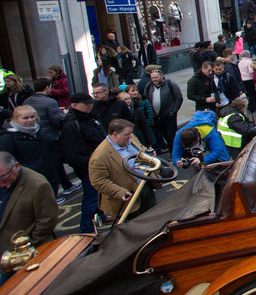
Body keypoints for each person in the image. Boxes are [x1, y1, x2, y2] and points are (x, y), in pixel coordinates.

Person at [89, 119, 156, 221]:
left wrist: (148, 155)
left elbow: (141, 148)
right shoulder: (100, 156)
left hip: (145, 187)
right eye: (127, 134)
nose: (130, 136)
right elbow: (98, 181)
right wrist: (120, 192)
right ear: (115, 134)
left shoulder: (131, 139)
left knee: (154, 218)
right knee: (136, 228)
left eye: (130, 133)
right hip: (128, 199)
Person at [58, 93, 106, 232]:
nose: (90, 105)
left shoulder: (89, 118)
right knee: (91, 196)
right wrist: (90, 165)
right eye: (86, 104)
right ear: (75, 105)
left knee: (99, 194)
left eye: (90, 103)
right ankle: (87, 229)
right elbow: (73, 152)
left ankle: (99, 216)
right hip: (89, 167)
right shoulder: (72, 124)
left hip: (98, 163)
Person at [0, 151, 58, 267]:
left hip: (27, 257)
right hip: (4, 254)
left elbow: (47, 221)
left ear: (16, 166)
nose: (0, 183)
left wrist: (27, 247)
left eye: (4, 177)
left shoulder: (38, 185)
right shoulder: (3, 181)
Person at [144, 69, 182, 152]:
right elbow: (146, 99)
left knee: (171, 135)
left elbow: (178, 98)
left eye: (156, 77)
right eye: (152, 78)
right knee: (163, 134)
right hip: (157, 117)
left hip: (169, 115)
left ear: (161, 76)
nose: (154, 79)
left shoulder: (170, 84)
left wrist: (173, 112)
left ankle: (174, 153)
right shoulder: (148, 86)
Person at [217, 95, 256, 160]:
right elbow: (246, 130)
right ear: (241, 107)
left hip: (227, 142)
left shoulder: (229, 113)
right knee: (240, 160)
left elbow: (243, 125)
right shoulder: (234, 117)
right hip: (235, 143)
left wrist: (253, 127)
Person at [122, 83, 156, 148]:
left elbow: (149, 115)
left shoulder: (142, 102)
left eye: (136, 90)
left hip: (142, 130)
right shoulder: (125, 110)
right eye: (132, 91)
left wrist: (148, 123)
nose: (135, 92)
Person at [238, 51, 256, 116]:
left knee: (247, 94)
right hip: (249, 79)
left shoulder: (240, 62)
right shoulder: (249, 62)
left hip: (243, 79)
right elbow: (251, 71)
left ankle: (249, 105)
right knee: (252, 93)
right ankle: (253, 106)